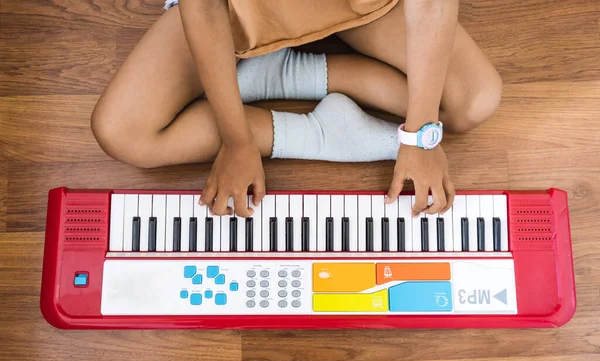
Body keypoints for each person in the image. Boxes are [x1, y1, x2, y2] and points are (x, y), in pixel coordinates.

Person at [91, 0, 502, 219]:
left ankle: (292, 75)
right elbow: (203, 7)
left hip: (359, 9)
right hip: (242, 17)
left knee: (471, 101)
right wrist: (237, 142)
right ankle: (295, 95)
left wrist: (422, 137)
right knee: (123, 131)